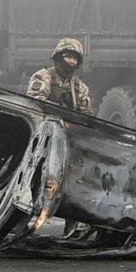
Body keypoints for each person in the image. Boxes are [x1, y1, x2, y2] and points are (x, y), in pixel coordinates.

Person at [27, 37, 93, 238]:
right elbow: (34, 103)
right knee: (35, 183)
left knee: (70, 185)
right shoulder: (43, 77)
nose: (70, 62)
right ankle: (23, 224)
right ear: (58, 57)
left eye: (74, 59)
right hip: (43, 140)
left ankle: (72, 229)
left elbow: (86, 115)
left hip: (66, 141)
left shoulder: (79, 87)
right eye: (67, 57)